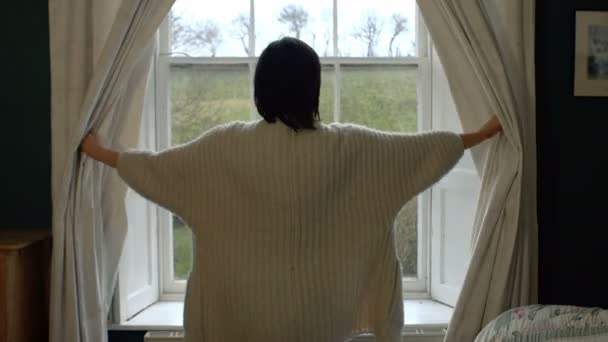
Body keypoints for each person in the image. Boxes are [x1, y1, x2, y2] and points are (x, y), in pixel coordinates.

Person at [81, 37, 501, 342]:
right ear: (312, 89)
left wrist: (98, 151)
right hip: (326, 321)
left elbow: (156, 169)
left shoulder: (223, 146)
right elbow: (421, 150)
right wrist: (481, 133)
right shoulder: (353, 147)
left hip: (239, 322)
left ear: (260, 89)